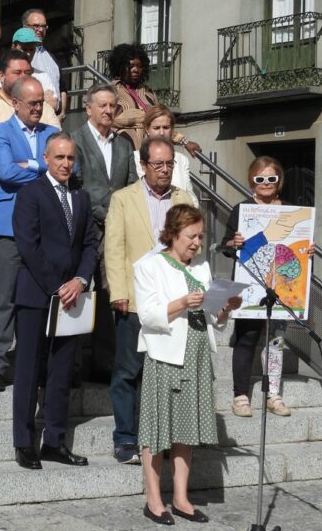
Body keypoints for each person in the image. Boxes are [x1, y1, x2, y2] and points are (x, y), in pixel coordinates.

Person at [135, 204, 240, 525]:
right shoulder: (150, 266)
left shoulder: (202, 268)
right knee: (156, 431)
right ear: (173, 234)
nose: (196, 242)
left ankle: (181, 498)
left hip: (195, 356)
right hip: (165, 356)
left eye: (200, 236)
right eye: (190, 236)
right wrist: (181, 302)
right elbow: (148, 315)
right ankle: (154, 500)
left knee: (186, 430)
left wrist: (224, 307)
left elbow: (212, 318)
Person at [104, 136, 197, 466]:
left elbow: (194, 245)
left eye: (170, 163)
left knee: (167, 373)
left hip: (175, 302)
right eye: (157, 164)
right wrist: (118, 293)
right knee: (128, 371)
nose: (164, 170)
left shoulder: (183, 197)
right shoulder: (123, 199)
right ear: (142, 166)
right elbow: (114, 249)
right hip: (135, 299)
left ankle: (164, 438)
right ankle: (125, 438)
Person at [11, 132, 98, 470]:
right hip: (37, 295)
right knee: (29, 370)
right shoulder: (30, 193)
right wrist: (57, 285)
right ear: (46, 158)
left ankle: (55, 440)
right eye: (59, 157)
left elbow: (90, 243)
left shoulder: (82, 196)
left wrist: (79, 281)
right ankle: (24, 442)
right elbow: (28, 245)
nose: (65, 164)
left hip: (71, 298)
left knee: (62, 371)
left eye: (70, 158)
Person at [221, 156, 314, 418]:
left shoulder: (292, 210)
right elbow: (225, 246)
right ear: (252, 180)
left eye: (271, 179)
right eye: (259, 179)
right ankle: (240, 396)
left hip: (282, 285)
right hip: (250, 283)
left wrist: (308, 250)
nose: (265, 184)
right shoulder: (241, 210)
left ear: (279, 181)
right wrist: (234, 243)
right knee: (246, 338)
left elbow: (300, 244)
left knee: (276, 340)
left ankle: (274, 394)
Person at [0, 77, 58, 393]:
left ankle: (39, 363)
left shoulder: (53, 134)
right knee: (5, 298)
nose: (38, 107)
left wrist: (29, 164)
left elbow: (67, 170)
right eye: (32, 103)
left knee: (43, 299)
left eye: (41, 101)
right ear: (15, 103)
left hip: (46, 229)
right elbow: (5, 172)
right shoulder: (0, 132)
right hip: (9, 227)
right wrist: (42, 168)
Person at [71, 83, 138, 382]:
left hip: (117, 233)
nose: (109, 110)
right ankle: (72, 364)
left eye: (113, 106)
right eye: (103, 105)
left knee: (112, 295)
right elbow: (76, 185)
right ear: (88, 108)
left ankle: (106, 363)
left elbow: (133, 186)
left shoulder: (124, 145)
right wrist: (105, 214)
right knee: (81, 294)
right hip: (87, 229)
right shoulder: (74, 140)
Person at [0, 50, 61, 145]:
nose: (23, 77)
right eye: (17, 73)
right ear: (2, 76)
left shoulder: (42, 106)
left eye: (27, 72)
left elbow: (58, 140)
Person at [134, 105, 198, 205]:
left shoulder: (181, 160)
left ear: (172, 130)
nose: (162, 132)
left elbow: (190, 196)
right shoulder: (135, 158)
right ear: (147, 130)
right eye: (156, 128)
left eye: (166, 127)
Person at [22, 8, 67, 120]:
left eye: (44, 26)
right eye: (36, 26)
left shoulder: (52, 57)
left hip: (55, 119)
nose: (40, 29)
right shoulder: (19, 56)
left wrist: (62, 113)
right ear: (25, 27)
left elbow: (62, 88)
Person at [4, 28, 58, 112]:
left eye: (31, 49)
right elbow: (4, 106)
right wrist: (43, 100)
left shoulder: (43, 76)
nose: (28, 53)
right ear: (13, 47)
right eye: (24, 49)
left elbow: (53, 104)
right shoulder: (5, 75)